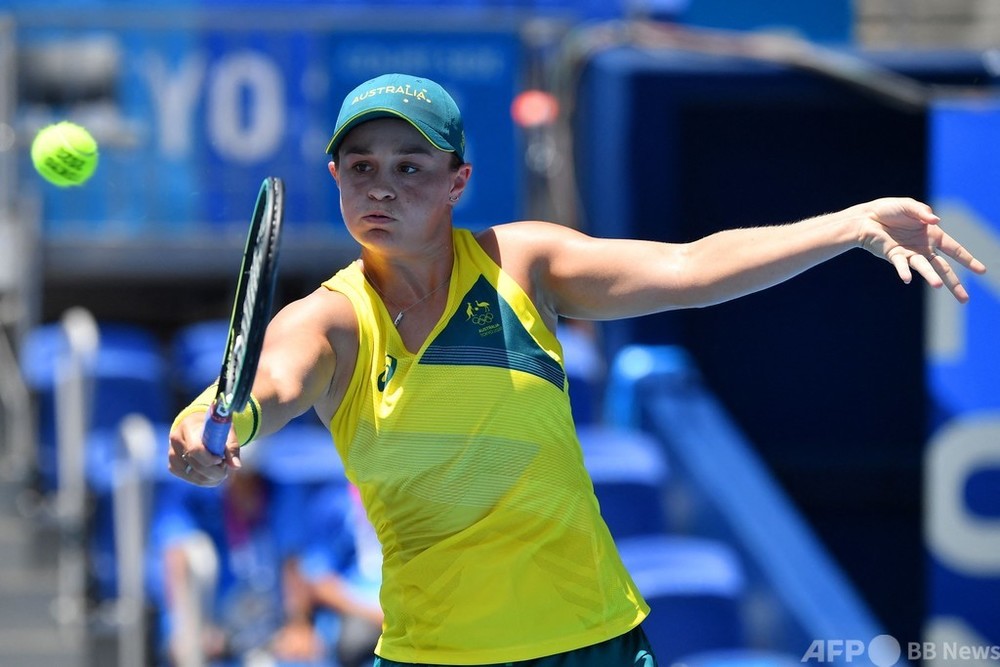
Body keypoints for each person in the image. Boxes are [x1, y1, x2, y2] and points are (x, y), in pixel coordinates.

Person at [168, 72, 987, 667]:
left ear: (459, 181)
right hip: (435, 656)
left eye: (409, 164)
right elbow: (267, 381)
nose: (382, 184)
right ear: (336, 178)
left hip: (594, 643)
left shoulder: (522, 262)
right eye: (361, 165)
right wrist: (211, 426)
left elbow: (694, 268)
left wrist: (844, 225)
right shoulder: (331, 318)